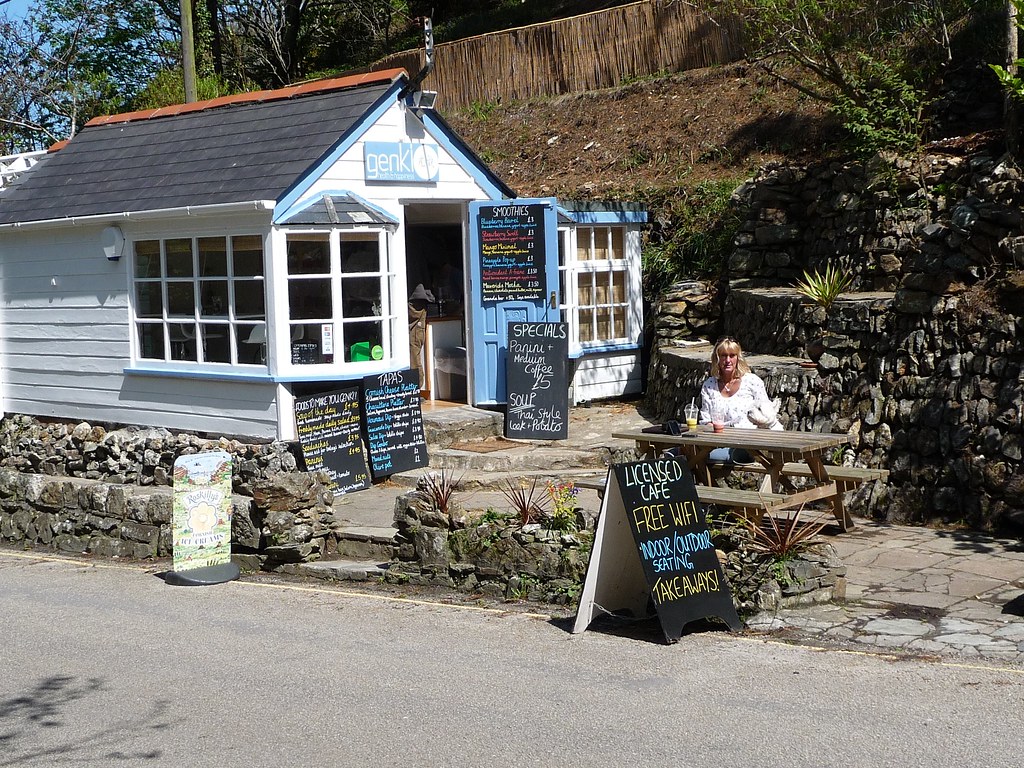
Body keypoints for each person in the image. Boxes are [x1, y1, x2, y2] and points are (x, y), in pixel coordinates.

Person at [699, 336, 782, 463]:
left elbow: (767, 415)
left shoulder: (752, 381)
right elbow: (705, 422)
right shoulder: (709, 386)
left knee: (695, 457)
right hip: (715, 442)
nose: (728, 360)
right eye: (723, 355)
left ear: (738, 358)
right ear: (717, 358)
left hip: (747, 445)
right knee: (682, 453)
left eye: (732, 355)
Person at [408, 283, 434, 389]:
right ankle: (415, 387)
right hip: (416, 298)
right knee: (414, 343)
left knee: (413, 343)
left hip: (413, 297)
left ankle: (414, 386)